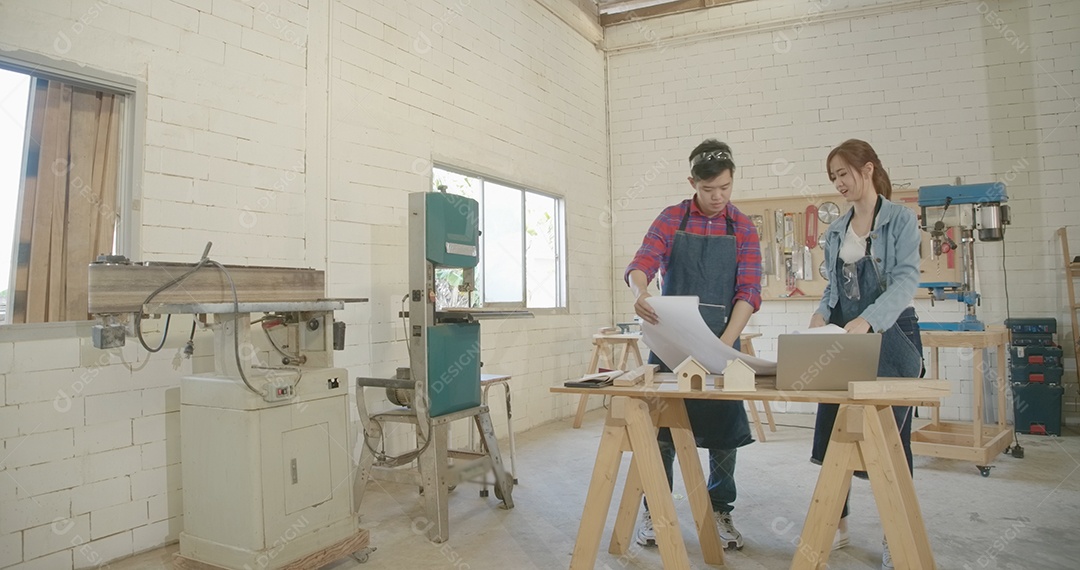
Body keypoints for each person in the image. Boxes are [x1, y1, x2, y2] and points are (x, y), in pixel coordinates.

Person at [625, 139, 762, 550]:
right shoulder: (672, 218)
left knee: (723, 431)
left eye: (724, 187)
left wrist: (722, 346)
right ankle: (655, 509)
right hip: (671, 343)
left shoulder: (743, 227)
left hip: (723, 338)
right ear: (692, 183)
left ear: (732, 181)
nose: (717, 197)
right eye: (708, 190)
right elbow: (641, 263)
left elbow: (749, 292)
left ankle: (719, 509)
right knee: (662, 430)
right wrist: (641, 291)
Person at [808, 139, 924, 570]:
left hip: (892, 332)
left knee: (891, 439)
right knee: (834, 426)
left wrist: (870, 321)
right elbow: (832, 289)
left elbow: (905, 281)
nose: (838, 182)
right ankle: (835, 522)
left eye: (844, 173)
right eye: (833, 176)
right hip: (844, 336)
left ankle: (899, 535)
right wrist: (821, 315)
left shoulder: (900, 219)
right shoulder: (835, 230)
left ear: (868, 169)